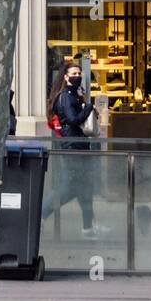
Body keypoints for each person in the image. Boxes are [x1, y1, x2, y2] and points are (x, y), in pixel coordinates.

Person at [48, 63, 106, 239]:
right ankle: (42, 212)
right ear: (65, 77)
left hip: (78, 145)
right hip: (72, 147)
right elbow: (73, 120)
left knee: (84, 188)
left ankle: (88, 226)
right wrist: (88, 107)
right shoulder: (66, 97)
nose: (78, 75)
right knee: (70, 189)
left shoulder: (73, 95)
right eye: (74, 73)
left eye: (79, 73)